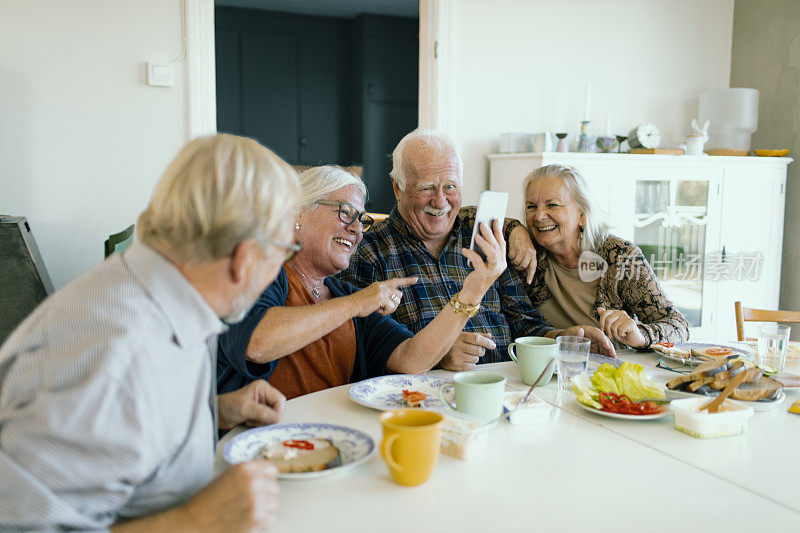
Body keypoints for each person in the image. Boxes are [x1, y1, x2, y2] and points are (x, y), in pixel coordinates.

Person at [0, 134, 300, 531]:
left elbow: (126, 422)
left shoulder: (167, 293)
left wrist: (214, 409)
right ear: (245, 259)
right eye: (285, 250)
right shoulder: (120, 353)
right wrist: (197, 521)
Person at [217, 165, 509, 398]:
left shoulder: (344, 295)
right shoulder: (264, 270)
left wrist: (475, 288)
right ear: (298, 212)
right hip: (265, 443)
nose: (357, 229)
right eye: (345, 212)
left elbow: (412, 360)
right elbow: (257, 342)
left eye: (362, 219)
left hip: (336, 439)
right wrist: (358, 302)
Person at [339, 129, 614, 368]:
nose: (440, 200)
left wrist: (563, 338)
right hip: (426, 400)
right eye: (426, 188)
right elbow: (366, 353)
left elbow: (525, 323)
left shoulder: (485, 238)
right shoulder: (367, 252)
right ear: (398, 188)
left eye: (450, 186)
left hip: (507, 389)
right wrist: (439, 356)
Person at [522, 164, 689, 348]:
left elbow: (678, 326)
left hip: (609, 369)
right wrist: (514, 229)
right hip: (550, 369)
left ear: (582, 214)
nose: (538, 217)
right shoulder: (525, 252)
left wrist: (640, 334)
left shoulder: (621, 256)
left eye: (552, 205)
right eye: (531, 207)